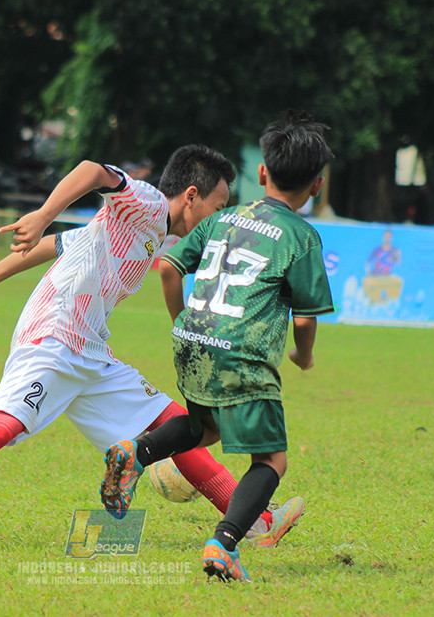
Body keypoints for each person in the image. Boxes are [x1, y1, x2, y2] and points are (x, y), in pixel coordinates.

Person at [0, 147, 299, 547]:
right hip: (54, 337)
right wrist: (45, 211)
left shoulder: (154, 234)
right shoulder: (143, 201)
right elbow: (91, 170)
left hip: (90, 351)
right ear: (191, 195)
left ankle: (257, 522)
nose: (218, 217)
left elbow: (61, 244)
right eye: (217, 207)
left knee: (176, 425)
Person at [99, 111, 335, 583]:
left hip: (193, 343)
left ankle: (135, 452)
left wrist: (182, 322)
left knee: (203, 428)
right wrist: (303, 356)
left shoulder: (224, 217)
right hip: (243, 355)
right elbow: (305, 318)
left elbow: (167, 267)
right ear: (317, 186)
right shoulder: (302, 236)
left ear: (263, 174)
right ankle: (223, 545)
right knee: (271, 461)